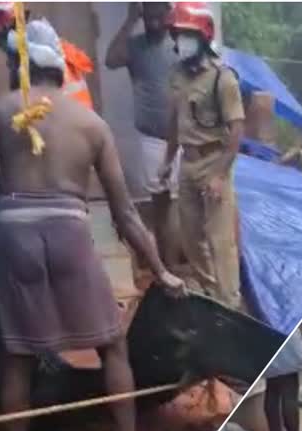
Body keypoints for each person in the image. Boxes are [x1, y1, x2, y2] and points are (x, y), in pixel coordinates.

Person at [0, 19, 186, 431]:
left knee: (19, 357)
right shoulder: (91, 123)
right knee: (111, 344)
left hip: (15, 233)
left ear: (16, 68)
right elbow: (126, 215)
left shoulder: (3, 110)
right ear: (61, 70)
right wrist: (162, 270)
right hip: (69, 231)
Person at [160, 2, 245, 310]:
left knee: (220, 240)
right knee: (191, 235)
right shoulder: (177, 76)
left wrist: (220, 175)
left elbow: (236, 131)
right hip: (187, 161)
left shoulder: (223, 79)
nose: (180, 41)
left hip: (214, 160)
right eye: (177, 34)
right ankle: (210, 293)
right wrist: (167, 161)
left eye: (187, 34)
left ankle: (229, 303)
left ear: (203, 36)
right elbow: (175, 122)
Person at [105, 2, 180, 266]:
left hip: (185, 141)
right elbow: (110, 59)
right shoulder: (136, 46)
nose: (154, 24)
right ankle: (166, 268)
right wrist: (129, 21)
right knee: (161, 207)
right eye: (149, 18)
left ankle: (181, 267)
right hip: (153, 141)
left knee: (187, 208)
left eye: (159, 17)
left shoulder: (181, 44)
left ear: (168, 15)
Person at [0, 2, 95, 110]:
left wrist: (16, 42)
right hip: (56, 113)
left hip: (72, 111)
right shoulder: (19, 54)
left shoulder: (37, 30)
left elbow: (51, 61)